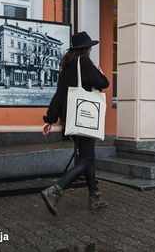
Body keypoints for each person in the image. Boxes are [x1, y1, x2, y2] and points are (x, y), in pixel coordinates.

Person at [40, 31, 109, 215]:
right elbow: (103, 82)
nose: (91, 49)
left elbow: (59, 95)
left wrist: (50, 119)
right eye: (90, 47)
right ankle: (55, 191)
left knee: (88, 158)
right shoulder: (84, 62)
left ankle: (95, 197)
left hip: (71, 119)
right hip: (85, 118)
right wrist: (101, 74)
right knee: (86, 159)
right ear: (86, 48)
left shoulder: (67, 66)